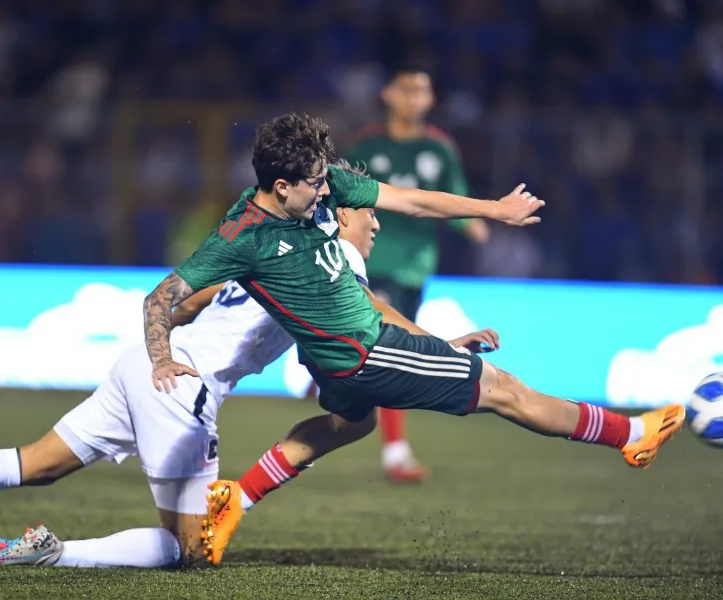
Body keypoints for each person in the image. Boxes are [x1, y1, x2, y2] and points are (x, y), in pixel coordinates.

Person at [0, 183, 492, 567]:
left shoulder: (264, 250)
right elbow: (372, 318)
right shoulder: (328, 264)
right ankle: (57, 552)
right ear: (337, 219)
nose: (369, 220)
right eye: (361, 211)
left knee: (37, 462)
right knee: (192, 550)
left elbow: (189, 300)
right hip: (185, 390)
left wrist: (160, 352)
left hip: (143, 370)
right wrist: (442, 345)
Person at [136, 112, 685, 567]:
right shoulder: (240, 237)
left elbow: (415, 201)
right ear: (281, 186)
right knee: (505, 390)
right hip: (365, 354)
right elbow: (160, 299)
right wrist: (161, 359)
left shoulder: (319, 188)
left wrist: (492, 209)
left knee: (352, 423)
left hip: (339, 355)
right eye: (318, 185)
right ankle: (630, 433)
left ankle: (239, 496)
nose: (331, 191)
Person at [341, 64, 490, 482]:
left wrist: (472, 222)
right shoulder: (364, 147)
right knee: (390, 349)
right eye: (406, 89)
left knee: (379, 352)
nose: (414, 98)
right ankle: (395, 452)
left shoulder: (440, 149)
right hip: (369, 263)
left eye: (422, 91)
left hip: (415, 266)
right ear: (388, 94)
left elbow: (451, 198)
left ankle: (326, 372)